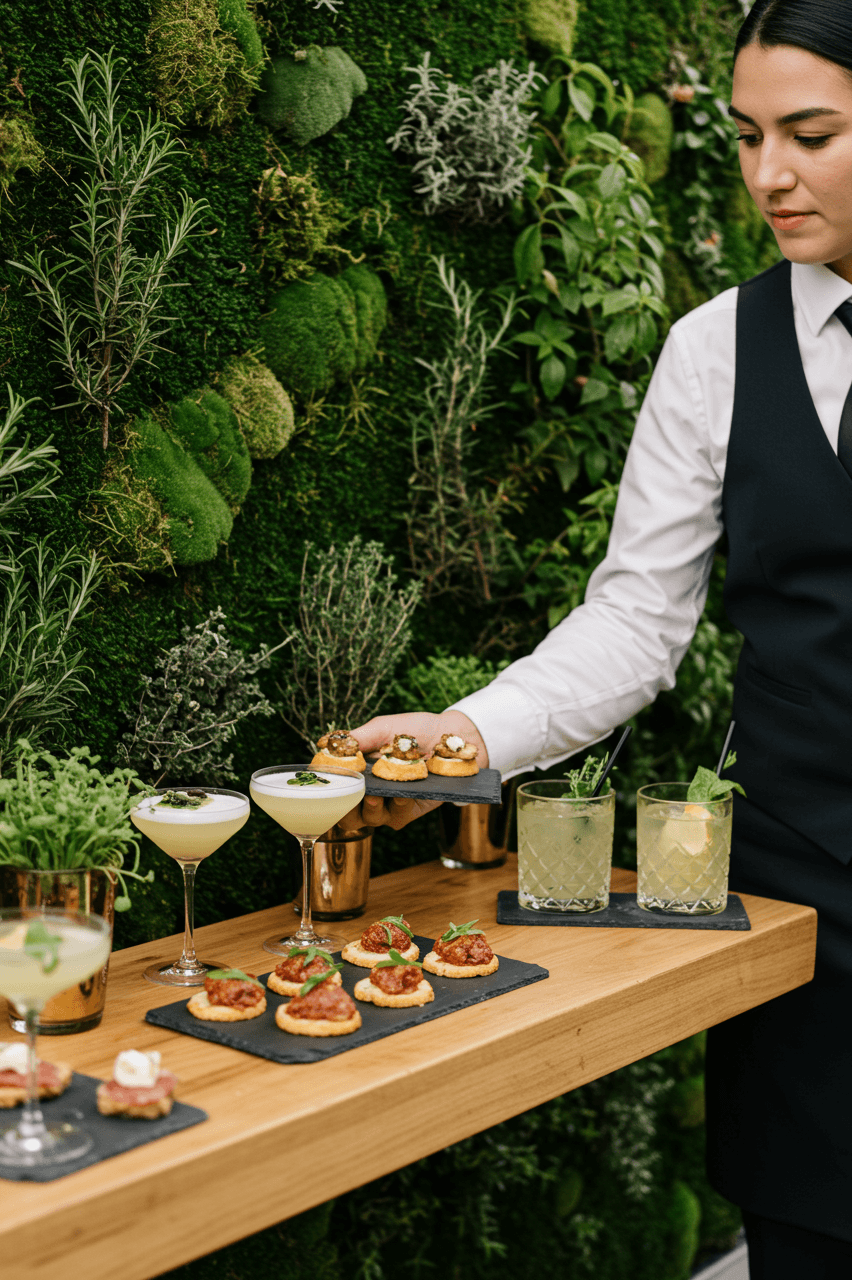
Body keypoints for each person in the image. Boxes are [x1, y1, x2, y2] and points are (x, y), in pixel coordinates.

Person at [353, 3, 852, 1275]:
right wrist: (470, 734)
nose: (766, 177)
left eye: (810, 133)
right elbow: (636, 614)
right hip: (805, 887)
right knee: (806, 1229)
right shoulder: (710, 352)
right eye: (744, 136)